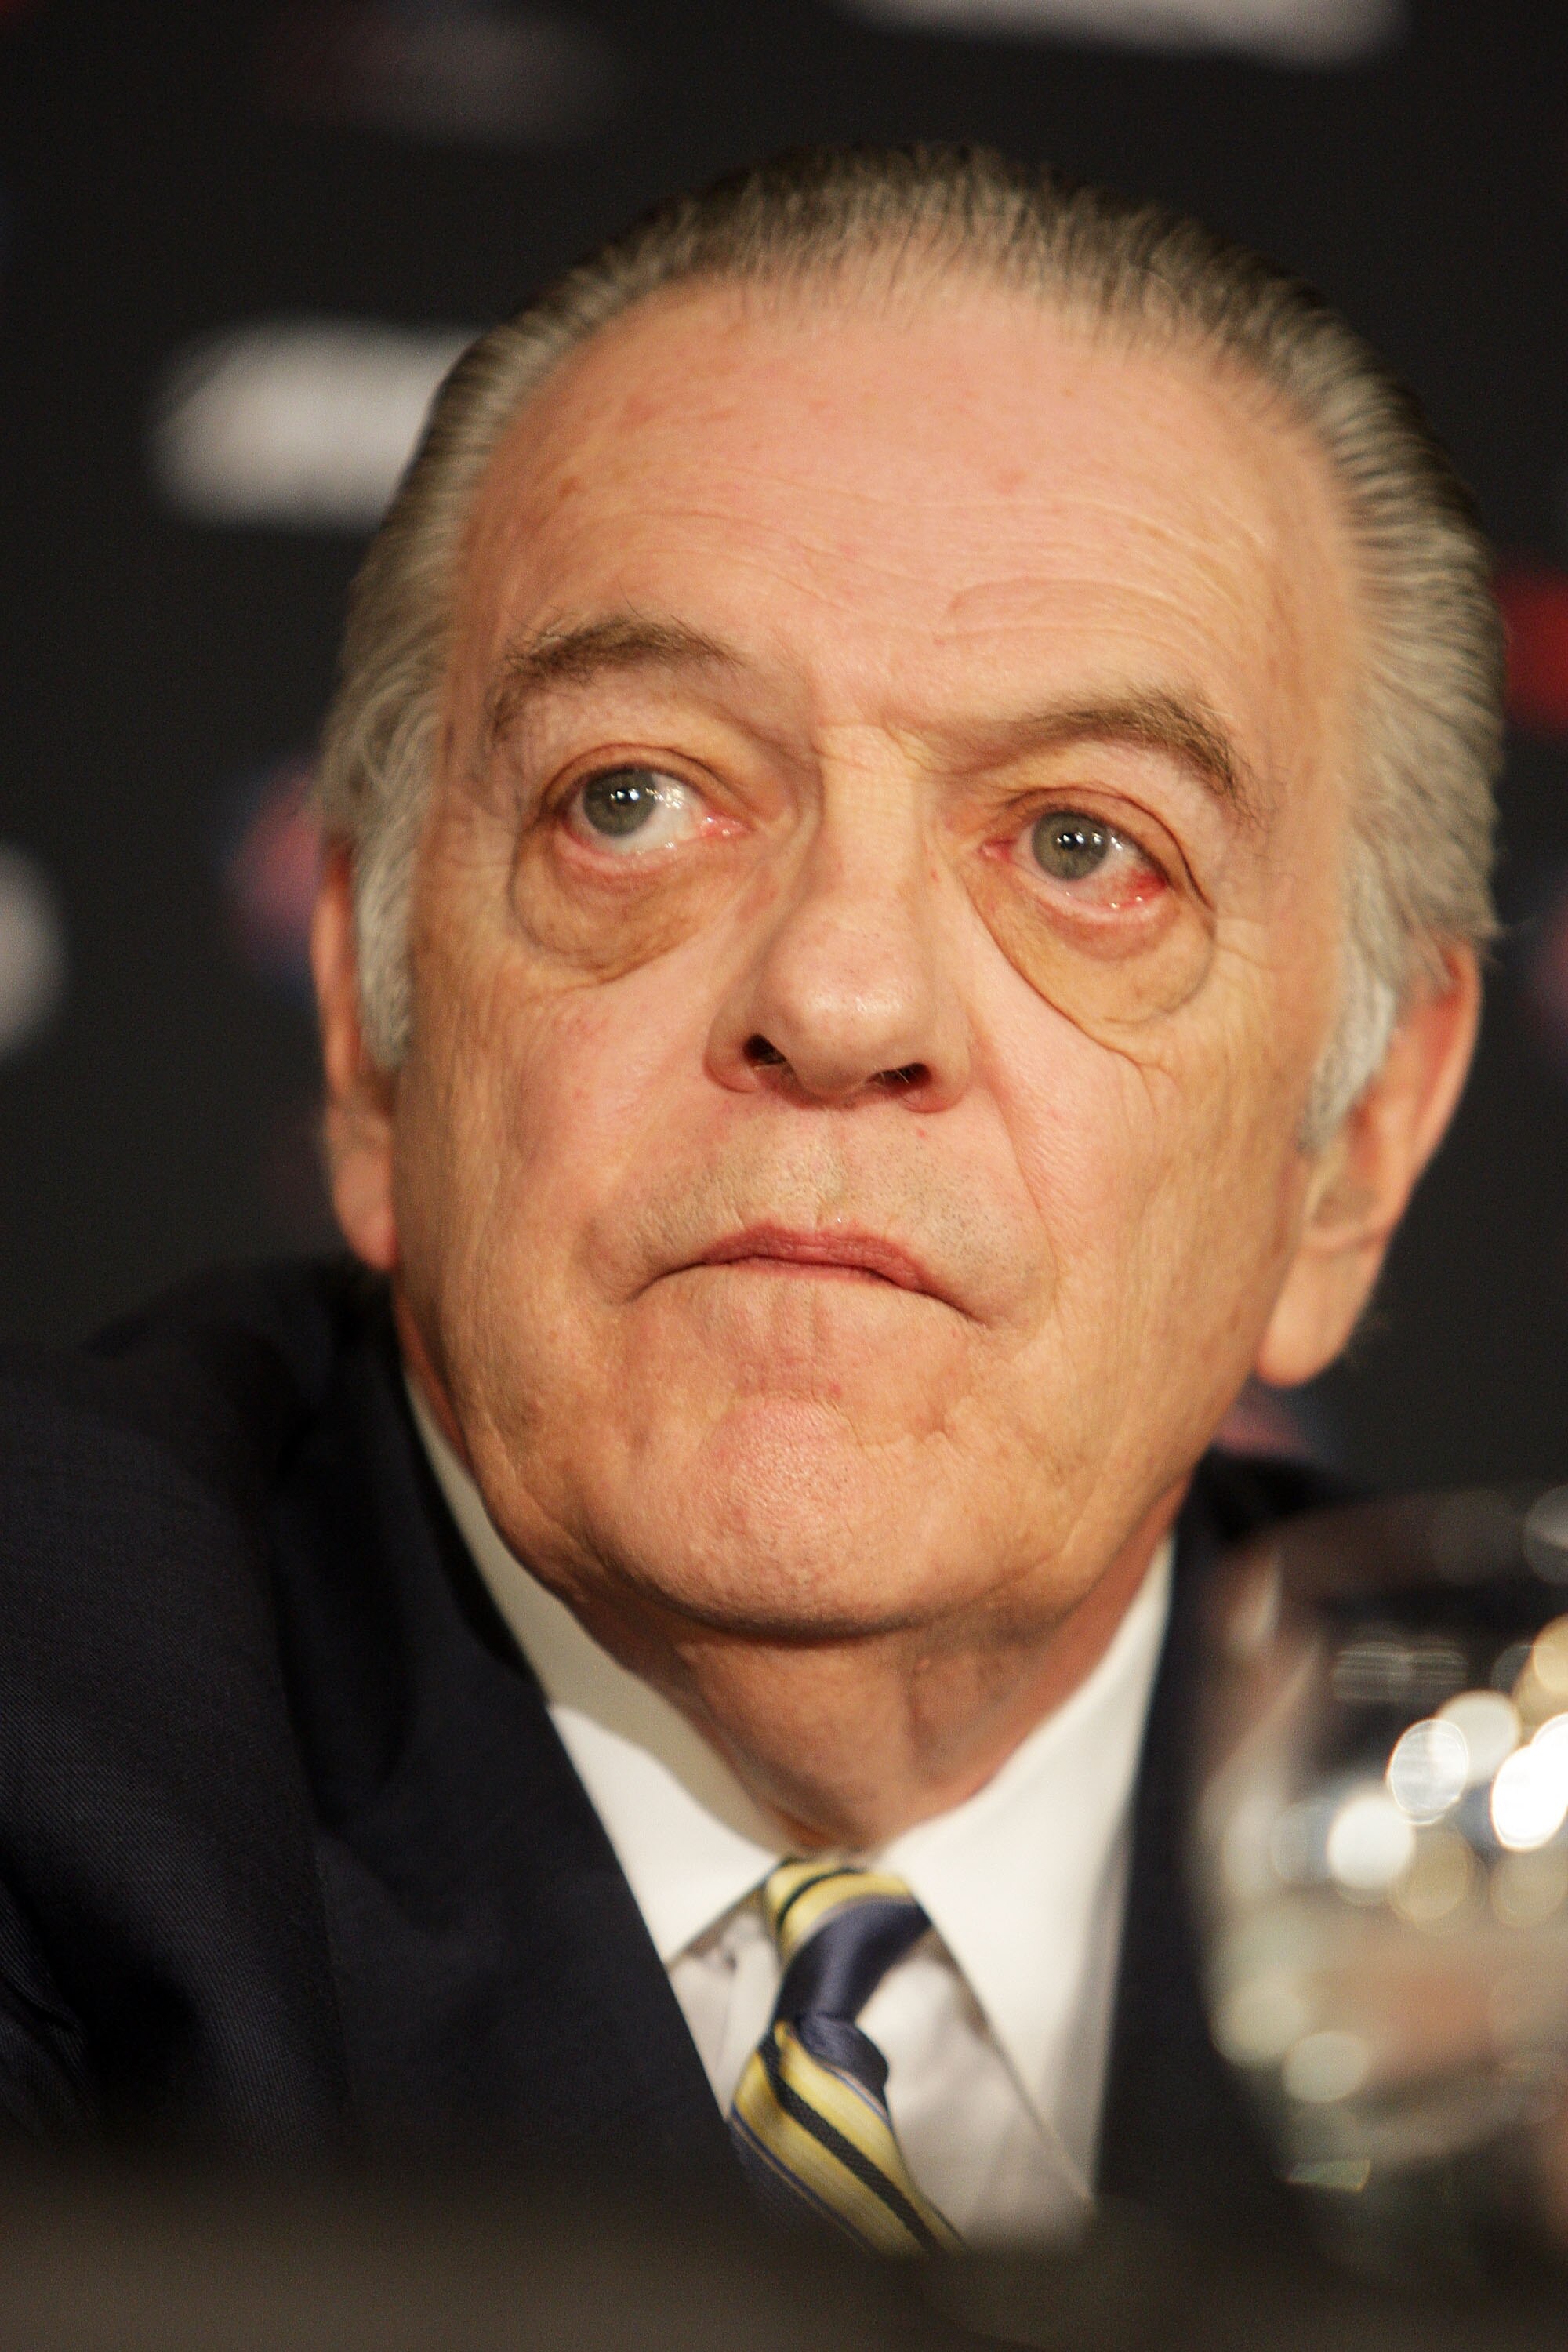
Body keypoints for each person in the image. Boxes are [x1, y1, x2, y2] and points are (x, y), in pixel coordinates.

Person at [0, 146, 1500, 2252]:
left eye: (1086, 850)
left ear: (1352, 1152)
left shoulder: (1495, 1867)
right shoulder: (56, 1728)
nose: (840, 994)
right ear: (368, 1017)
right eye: (637, 799)